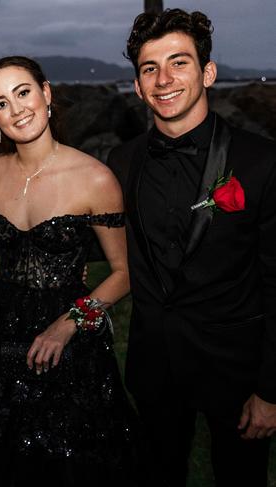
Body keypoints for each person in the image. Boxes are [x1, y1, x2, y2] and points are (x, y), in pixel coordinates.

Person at [0, 56, 141, 486]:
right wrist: (28, 274)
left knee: (69, 459)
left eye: (23, 92)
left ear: (46, 93)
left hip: (69, 338)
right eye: (0, 103)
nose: (16, 110)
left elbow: (124, 273)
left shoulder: (95, 178)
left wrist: (69, 322)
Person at [107, 8, 276, 487]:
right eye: (149, 68)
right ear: (138, 86)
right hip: (154, 365)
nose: (164, 79)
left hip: (238, 372)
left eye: (179, 63)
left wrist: (272, 390)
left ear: (208, 73)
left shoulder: (262, 162)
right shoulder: (121, 162)